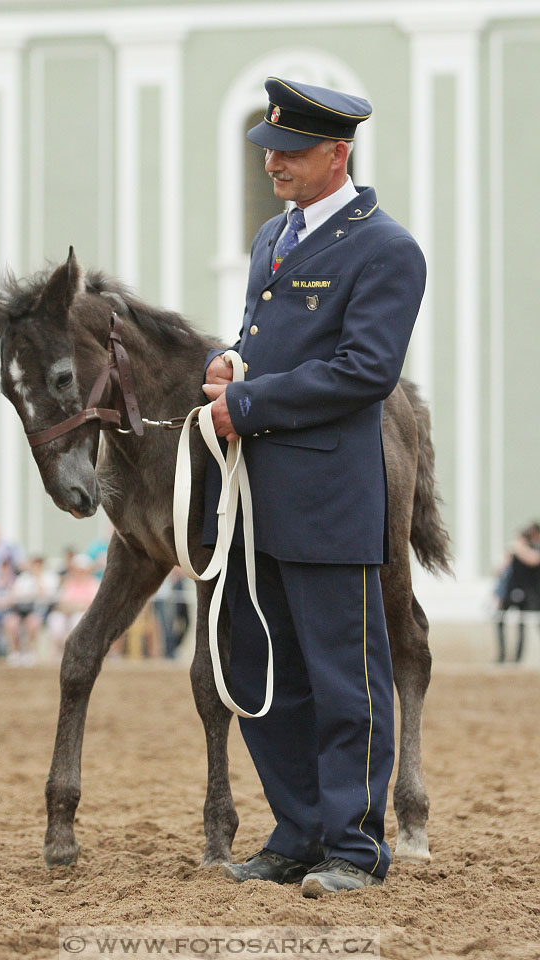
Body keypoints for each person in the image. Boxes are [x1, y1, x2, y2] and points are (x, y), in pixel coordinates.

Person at [201, 77, 426, 896]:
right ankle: (296, 833)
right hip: (256, 497)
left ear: (339, 153)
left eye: (292, 152)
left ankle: (356, 849)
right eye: (269, 151)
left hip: (331, 499)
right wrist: (228, 362)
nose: (275, 165)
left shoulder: (387, 248)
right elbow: (270, 337)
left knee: (344, 682)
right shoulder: (273, 237)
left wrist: (247, 402)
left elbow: (364, 371)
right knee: (268, 679)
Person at [494, 522, 540, 663]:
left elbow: (534, 559)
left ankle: (517, 658)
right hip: (511, 591)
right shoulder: (515, 551)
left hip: (531, 594)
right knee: (500, 620)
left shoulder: (530, 549)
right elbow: (500, 571)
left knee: (524, 624)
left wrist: (520, 548)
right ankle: (502, 656)